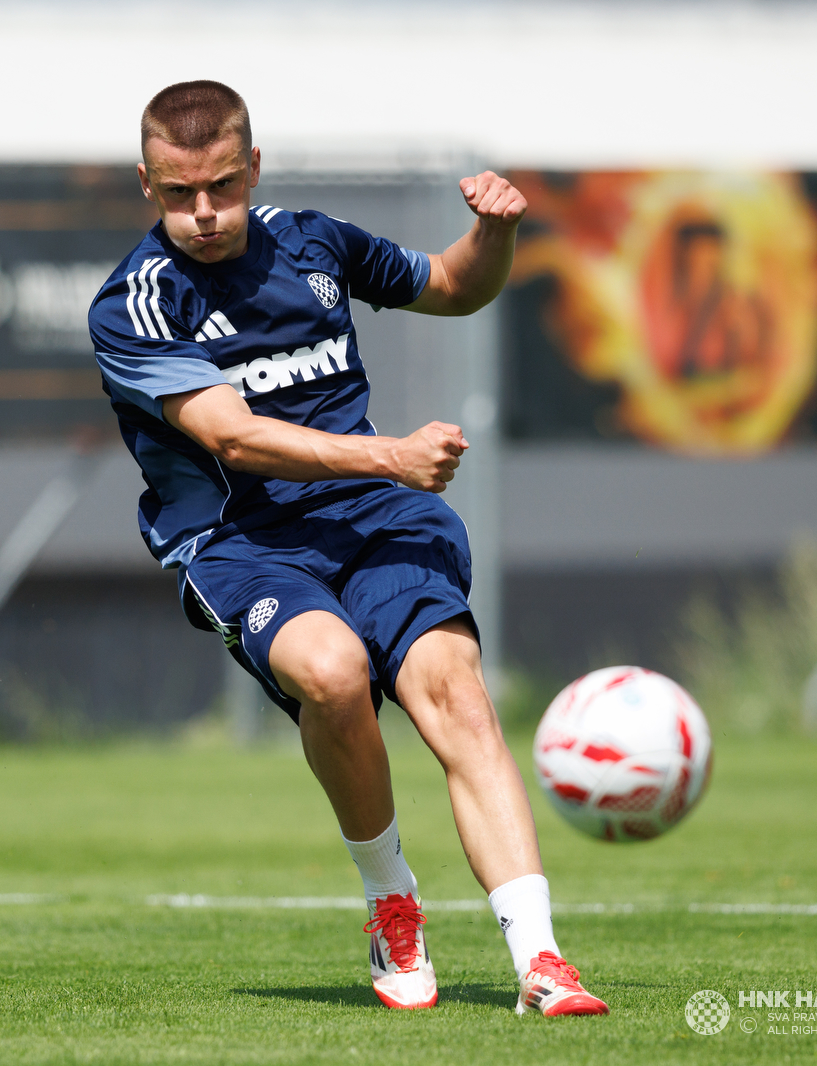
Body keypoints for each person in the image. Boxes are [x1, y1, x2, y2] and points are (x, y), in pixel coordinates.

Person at [89, 80, 608, 1016]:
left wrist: (495, 233)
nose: (203, 212)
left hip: (374, 517)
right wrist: (392, 456)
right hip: (241, 543)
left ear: (254, 166)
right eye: (178, 192)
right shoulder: (136, 304)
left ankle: (542, 961)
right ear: (146, 183)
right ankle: (390, 899)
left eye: (221, 185)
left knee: (456, 696)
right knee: (331, 674)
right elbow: (234, 438)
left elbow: (453, 286)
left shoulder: (315, 242)